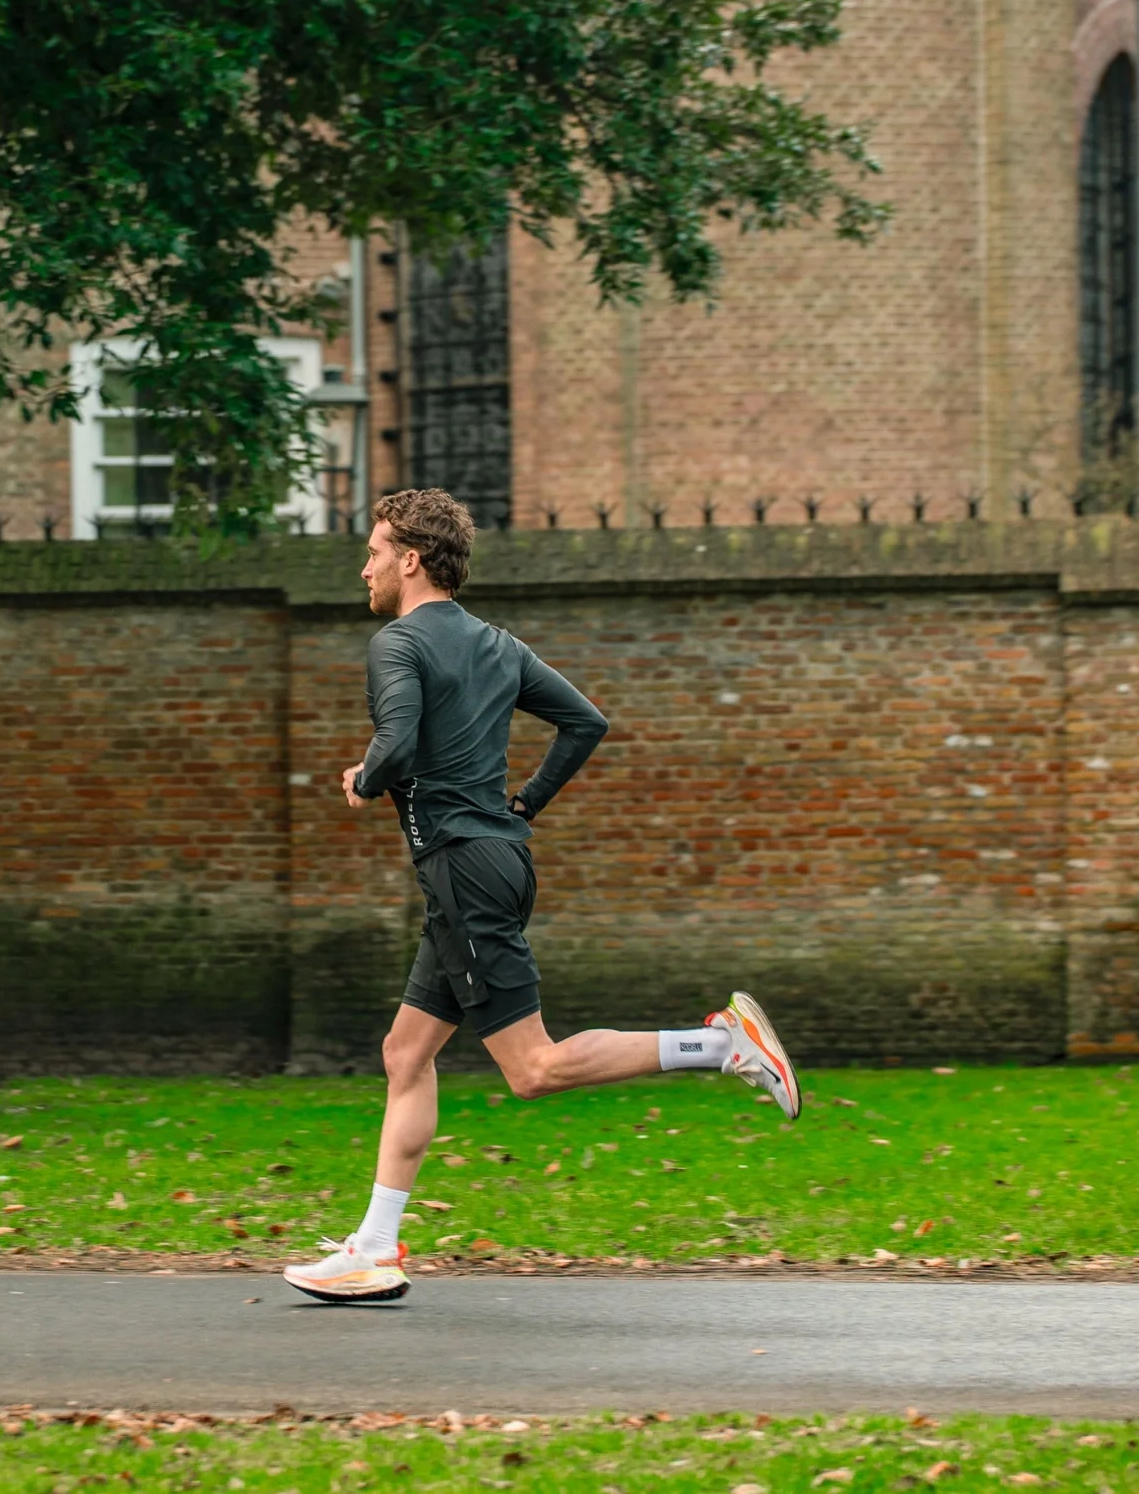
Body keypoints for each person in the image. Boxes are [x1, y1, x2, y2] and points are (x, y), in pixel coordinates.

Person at [284, 489, 801, 1304]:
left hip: (464, 871)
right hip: (493, 862)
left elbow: (397, 740)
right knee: (405, 1053)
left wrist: (365, 776)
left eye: (375, 552)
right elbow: (585, 722)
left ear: (411, 560)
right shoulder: (497, 644)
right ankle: (374, 1249)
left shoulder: (397, 643)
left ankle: (719, 1045)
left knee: (532, 1068)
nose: (366, 568)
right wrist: (524, 804)